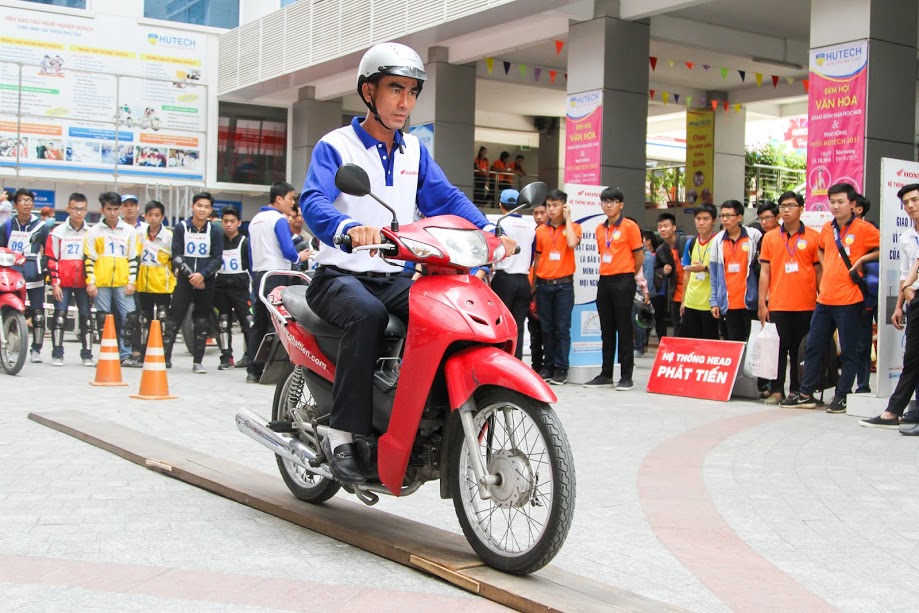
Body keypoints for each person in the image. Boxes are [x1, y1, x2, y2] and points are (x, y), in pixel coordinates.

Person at [300, 42, 514, 483]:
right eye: (395, 89)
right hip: (339, 275)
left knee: (442, 314)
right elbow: (314, 200)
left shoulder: (413, 151)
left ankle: (413, 416)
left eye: (412, 92)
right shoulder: (335, 145)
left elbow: (445, 198)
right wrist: (346, 229)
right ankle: (343, 433)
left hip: (393, 274)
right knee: (368, 316)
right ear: (368, 92)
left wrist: (488, 233)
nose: (405, 102)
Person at [781, 183, 880, 413]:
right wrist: (828, 268)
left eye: (841, 202)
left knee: (849, 351)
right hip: (825, 299)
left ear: (853, 204)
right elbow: (822, 250)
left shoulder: (864, 229)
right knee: (814, 346)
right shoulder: (827, 229)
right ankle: (806, 393)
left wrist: (862, 261)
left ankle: (842, 395)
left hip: (851, 299)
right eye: (832, 202)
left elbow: (885, 247)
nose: (835, 206)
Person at [861, 184, 919, 429]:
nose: (911, 206)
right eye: (906, 202)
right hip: (915, 298)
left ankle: (896, 410)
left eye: (915, 200)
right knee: (913, 357)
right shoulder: (906, 237)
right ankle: (895, 411)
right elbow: (906, 272)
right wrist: (900, 304)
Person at [758, 191, 821, 404]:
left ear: (801, 209)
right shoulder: (770, 237)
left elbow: (819, 271)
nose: (786, 209)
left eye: (791, 205)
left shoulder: (813, 237)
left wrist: (823, 298)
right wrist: (762, 303)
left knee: (799, 351)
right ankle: (777, 391)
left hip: (807, 304)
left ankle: (797, 390)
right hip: (779, 303)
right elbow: (765, 272)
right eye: (783, 205)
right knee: (778, 349)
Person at [246, 182, 309, 384]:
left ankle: (252, 369)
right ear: (279, 198)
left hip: (258, 275)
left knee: (259, 323)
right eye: (290, 199)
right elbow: (288, 251)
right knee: (275, 321)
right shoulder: (278, 219)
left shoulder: (255, 220)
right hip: (276, 273)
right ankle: (271, 369)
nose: (292, 204)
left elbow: (249, 253)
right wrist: (301, 257)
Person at [583, 188, 643, 390]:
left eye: (613, 201)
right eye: (605, 201)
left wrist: (629, 274)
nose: (609, 205)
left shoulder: (629, 226)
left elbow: (639, 255)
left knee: (624, 328)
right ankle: (606, 373)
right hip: (605, 281)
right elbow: (603, 253)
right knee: (606, 329)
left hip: (624, 280)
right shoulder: (600, 229)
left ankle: (626, 376)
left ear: (621, 204)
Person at [163, 192, 224, 373]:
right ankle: (165, 358)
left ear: (210, 210)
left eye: (206, 207)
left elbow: (217, 259)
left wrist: (202, 276)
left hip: (206, 282)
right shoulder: (181, 227)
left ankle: (198, 361)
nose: (202, 210)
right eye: (199, 205)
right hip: (185, 280)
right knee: (174, 319)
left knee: (202, 321)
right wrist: (192, 276)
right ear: (192, 207)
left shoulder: (215, 230)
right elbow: (176, 256)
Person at [533, 188, 581, 385]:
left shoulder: (575, 227)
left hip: (564, 287)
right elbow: (537, 259)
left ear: (564, 206)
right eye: (549, 206)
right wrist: (533, 287)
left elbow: (571, 243)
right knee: (546, 328)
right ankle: (548, 366)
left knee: (562, 329)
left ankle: (562, 369)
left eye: (555, 205)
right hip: (544, 285)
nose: (551, 210)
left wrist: (568, 219)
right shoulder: (540, 230)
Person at [84, 192, 138, 363]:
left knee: (129, 317)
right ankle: (106, 354)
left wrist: (131, 281)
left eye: (116, 209)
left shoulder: (129, 231)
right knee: (103, 318)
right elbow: (89, 258)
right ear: (102, 209)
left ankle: (125, 354)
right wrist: (91, 282)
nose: (113, 213)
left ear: (120, 209)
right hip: (101, 282)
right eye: (109, 209)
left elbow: (134, 258)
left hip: (123, 282)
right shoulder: (93, 231)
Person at [0, 189, 50, 362]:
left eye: (29, 200)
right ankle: (11, 347)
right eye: (23, 200)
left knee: (37, 313)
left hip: (34, 274)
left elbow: (48, 251)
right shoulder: (6, 226)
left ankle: (36, 350)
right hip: (11, 275)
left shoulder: (42, 227)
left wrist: (43, 267)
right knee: (10, 311)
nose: (27, 204)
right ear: (15, 205)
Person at [45, 193, 94, 367]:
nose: (78, 213)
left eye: (82, 209)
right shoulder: (57, 232)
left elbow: (93, 258)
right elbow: (51, 259)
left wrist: (91, 281)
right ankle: (57, 354)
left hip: (84, 283)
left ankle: (87, 355)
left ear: (86, 210)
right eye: (75, 209)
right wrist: (55, 284)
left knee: (86, 319)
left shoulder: (91, 233)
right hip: (63, 283)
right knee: (59, 317)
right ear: (68, 209)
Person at [491, 189, 536, 361]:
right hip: (523, 280)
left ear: (500, 204)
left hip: (504, 279)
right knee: (518, 325)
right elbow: (532, 257)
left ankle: (499, 361)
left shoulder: (499, 224)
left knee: (500, 324)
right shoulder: (531, 228)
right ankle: (515, 363)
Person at [709, 200, 762, 342]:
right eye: (722, 216)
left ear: (739, 217)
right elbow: (714, 274)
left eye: (729, 215)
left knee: (754, 344)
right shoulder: (718, 240)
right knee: (734, 343)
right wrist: (714, 301)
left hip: (750, 302)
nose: (725, 219)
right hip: (728, 303)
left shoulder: (754, 236)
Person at [131, 200, 174, 365]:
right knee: (144, 320)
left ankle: (164, 355)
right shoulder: (140, 235)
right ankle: (143, 354)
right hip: (144, 283)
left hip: (163, 284)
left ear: (162, 216)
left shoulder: (169, 236)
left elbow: (173, 259)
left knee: (163, 318)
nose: (154, 218)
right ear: (145, 216)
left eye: (157, 215)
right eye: (150, 215)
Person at [215, 206, 252, 371]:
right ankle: (226, 356)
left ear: (239, 223)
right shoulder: (218, 242)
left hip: (241, 288)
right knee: (223, 322)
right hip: (221, 287)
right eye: (225, 221)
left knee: (248, 323)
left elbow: (251, 266)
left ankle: (250, 356)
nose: (228, 225)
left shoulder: (245, 242)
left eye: (232, 221)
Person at [679, 203, 719, 340]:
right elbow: (687, 273)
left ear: (714, 221)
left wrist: (705, 269)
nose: (701, 222)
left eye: (706, 219)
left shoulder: (719, 242)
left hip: (710, 304)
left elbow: (723, 273)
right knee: (691, 343)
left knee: (709, 344)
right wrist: (683, 300)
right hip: (691, 302)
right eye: (698, 218)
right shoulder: (690, 243)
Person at [853, 193, 878, 393]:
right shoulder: (837, 232)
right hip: (853, 296)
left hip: (871, 296)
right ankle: (859, 384)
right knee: (858, 343)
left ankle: (865, 384)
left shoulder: (870, 231)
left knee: (864, 343)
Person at [653, 213, 688, 336]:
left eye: (666, 226)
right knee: (677, 325)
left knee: (692, 327)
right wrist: (664, 271)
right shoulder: (660, 250)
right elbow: (656, 270)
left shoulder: (687, 242)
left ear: (674, 227)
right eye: (660, 227)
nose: (662, 229)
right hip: (675, 293)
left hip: (692, 292)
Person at [527, 202, 547, 372]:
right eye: (535, 213)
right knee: (533, 331)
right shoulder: (529, 233)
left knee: (546, 329)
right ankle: (536, 366)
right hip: (528, 287)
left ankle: (549, 367)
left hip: (544, 285)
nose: (539, 217)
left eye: (542, 212)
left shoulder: (549, 233)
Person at [636, 230, 663, 354]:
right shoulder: (636, 253)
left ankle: (639, 347)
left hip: (641, 293)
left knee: (640, 321)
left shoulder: (647, 256)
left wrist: (644, 292)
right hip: (633, 292)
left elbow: (647, 276)